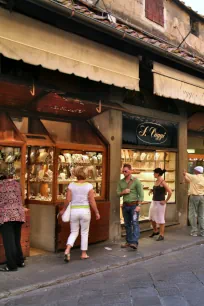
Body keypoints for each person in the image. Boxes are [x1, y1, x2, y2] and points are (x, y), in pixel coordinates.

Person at [60, 167, 100, 262]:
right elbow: (92, 201)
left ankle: (67, 249)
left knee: (74, 232)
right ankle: (83, 253)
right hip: (85, 211)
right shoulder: (89, 186)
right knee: (84, 232)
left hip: (74, 211)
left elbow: (67, 200)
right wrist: (97, 212)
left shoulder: (71, 185)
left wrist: (63, 210)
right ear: (85, 175)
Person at [0, 174, 25, 272]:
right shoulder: (16, 184)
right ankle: (20, 261)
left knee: (9, 242)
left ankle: (11, 265)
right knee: (16, 240)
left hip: (6, 215)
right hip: (19, 214)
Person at [117, 164, 144, 250]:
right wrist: (123, 192)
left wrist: (139, 205)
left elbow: (141, 194)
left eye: (126, 171)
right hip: (125, 206)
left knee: (135, 223)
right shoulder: (121, 182)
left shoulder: (136, 181)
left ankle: (134, 242)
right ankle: (128, 241)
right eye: (123, 171)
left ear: (130, 171)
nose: (124, 173)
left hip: (134, 206)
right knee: (127, 224)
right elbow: (118, 194)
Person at [148, 168, 172, 241]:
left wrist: (165, 201)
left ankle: (161, 235)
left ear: (157, 173)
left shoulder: (162, 182)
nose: (153, 174)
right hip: (154, 201)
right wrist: (152, 190)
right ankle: (155, 231)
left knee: (160, 219)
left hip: (160, 203)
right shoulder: (156, 181)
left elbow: (170, 192)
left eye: (154, 173)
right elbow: (157, 189)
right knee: (151, 217)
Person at [183, 166, 204, 237]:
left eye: (195, 170)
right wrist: (185, 176)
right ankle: (202, 232)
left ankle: (194, 231)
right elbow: (189, 181)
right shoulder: (202, 178)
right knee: (201, 215)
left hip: (194, 196)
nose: (194, 171)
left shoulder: (195, 177)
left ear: (197, 171)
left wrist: (184, 172)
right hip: (201, 197)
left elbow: (185, 173)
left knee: (192, 214)